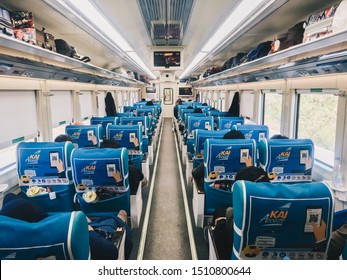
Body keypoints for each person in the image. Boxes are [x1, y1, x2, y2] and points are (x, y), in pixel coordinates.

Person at [0, 193, 126, 260]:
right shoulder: (67, 233)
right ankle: (120, 219)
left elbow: (9, 198)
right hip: (94, 240)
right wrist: (89, 231)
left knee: (10, 199)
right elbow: (110, 253)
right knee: (109, 222)